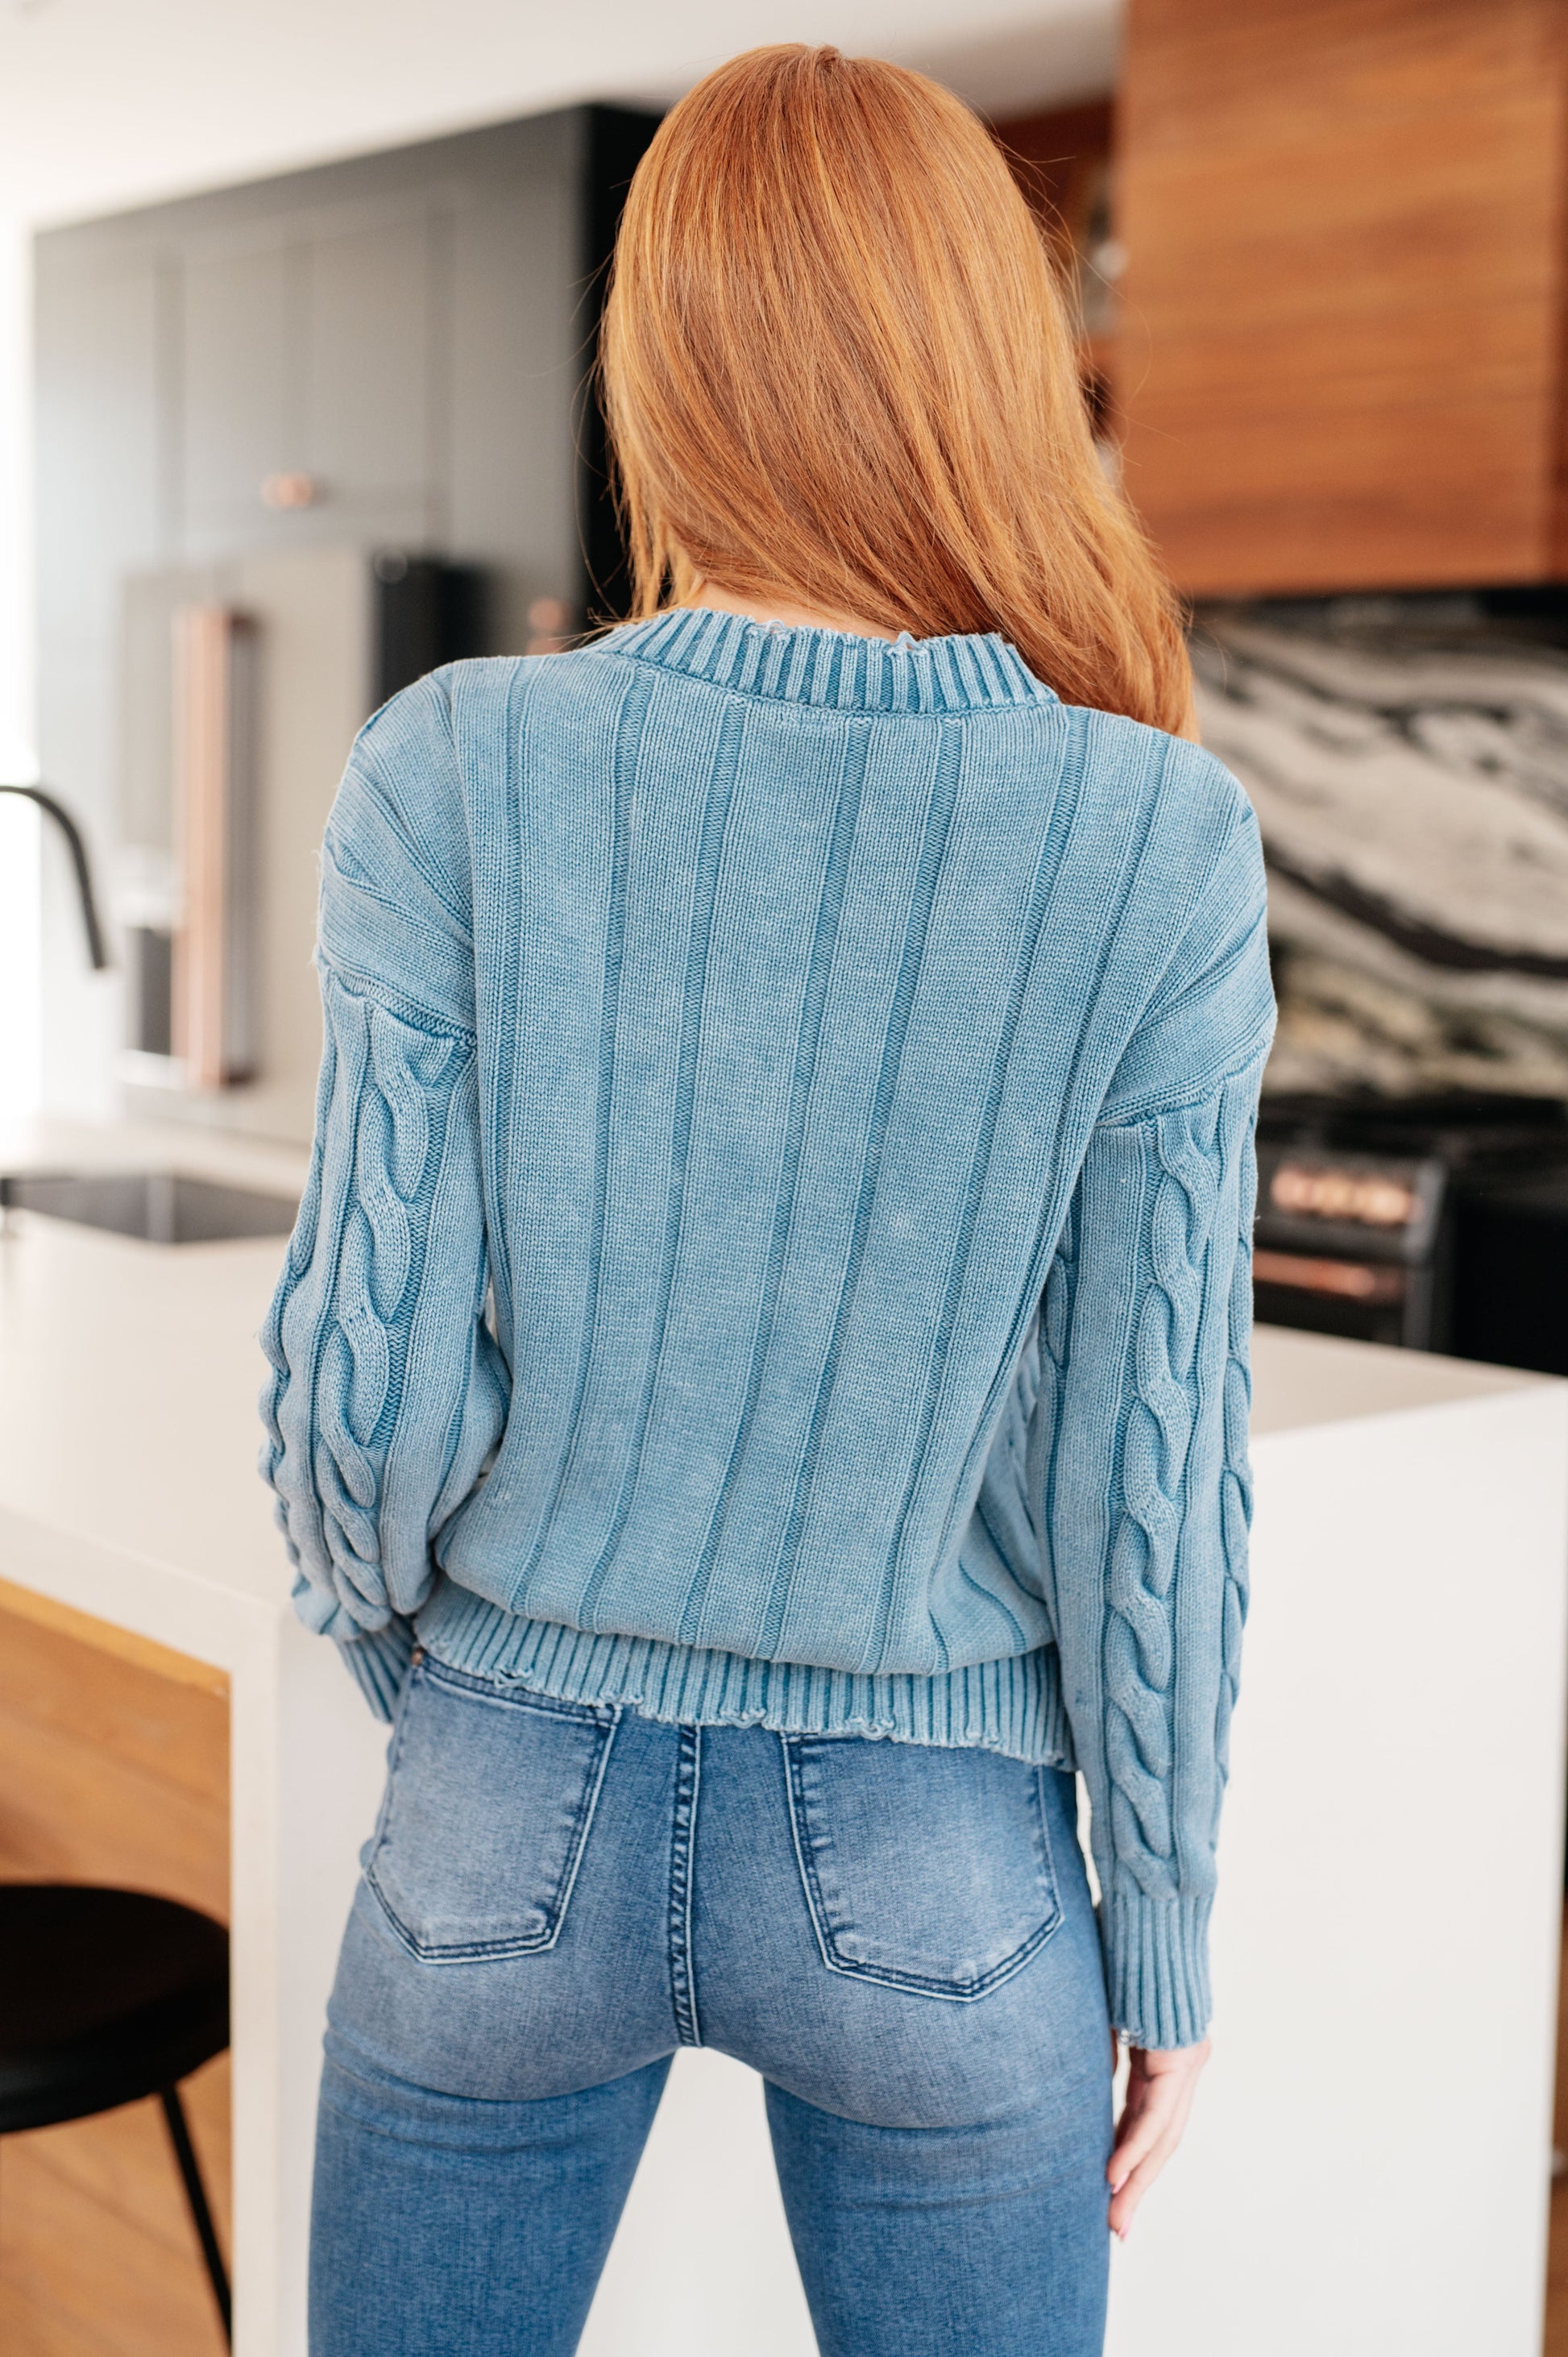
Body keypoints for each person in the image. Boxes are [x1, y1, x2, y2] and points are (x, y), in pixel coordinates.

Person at [260, 43, 1274, 2357]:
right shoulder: (1149, 839)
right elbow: (1153, 1481)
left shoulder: (450, 768)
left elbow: (363, 1401)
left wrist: (459, 1697)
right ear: (983, 363)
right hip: (946, 1854)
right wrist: (1168, 1938)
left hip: (499, 1809)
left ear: (666, 364)